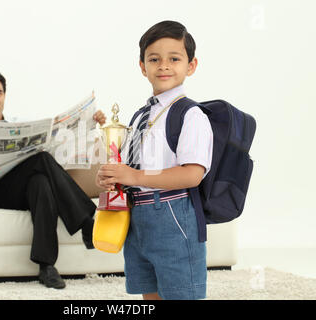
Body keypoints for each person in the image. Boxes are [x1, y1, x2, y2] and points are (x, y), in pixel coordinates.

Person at [0, 70, 107, 289]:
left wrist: (90, 123)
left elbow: (60, 144)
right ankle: (86, 223)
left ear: (4, 95)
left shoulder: (20, 124)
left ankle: (46, 267)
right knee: (40, 160)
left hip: (26, 188)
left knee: (41, 182)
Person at [96, 21, 213, 300]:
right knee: (150, 293)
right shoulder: (140, 116)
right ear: (142, 66)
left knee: (180, 292)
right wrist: (113, 177)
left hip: (174, 214)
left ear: (191, 65)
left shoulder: (191, 115)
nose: (164, 66)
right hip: (138, 217)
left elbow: (192, 175)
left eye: (174, 58)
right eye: (154, 59)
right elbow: (132, 168)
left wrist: (134, 177)